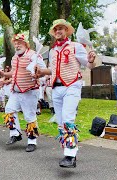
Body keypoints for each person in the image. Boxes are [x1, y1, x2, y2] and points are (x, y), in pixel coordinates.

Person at [35, 19, 96, 167]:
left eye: (61, 29)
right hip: (56, 88)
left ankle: (70, 155)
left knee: (68, 119)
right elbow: (53, 70)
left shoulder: (76, 46)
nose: (58, 31)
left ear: (67, 31)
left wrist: (92, 60)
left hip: (72, 86)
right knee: (61, 123)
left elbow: (89, 65)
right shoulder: (52, 51)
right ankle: (69, 152)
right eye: (55, 29)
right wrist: (41, 72)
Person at [0, 33, 46, 152]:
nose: (17, 45)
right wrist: (4, 74)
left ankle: (32, 141)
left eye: (19, 43)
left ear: (25, 44)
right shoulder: (15, 57)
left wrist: (37, 75)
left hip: (29, 90)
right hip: (16, 90)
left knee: (29, 116)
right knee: (9, 111)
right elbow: (14, 72)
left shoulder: (34, 55)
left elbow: (43, 71)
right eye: (15, 43)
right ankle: (15, 134)